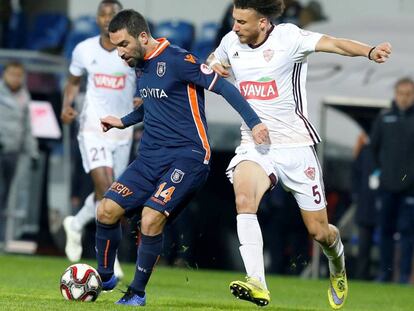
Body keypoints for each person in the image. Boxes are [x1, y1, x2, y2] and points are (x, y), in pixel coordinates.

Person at [207, 0, 391, 308]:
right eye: (235, 20)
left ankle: (337, 263)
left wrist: (369, 51)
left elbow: (335, 44)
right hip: (255, 145)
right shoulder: (230, 42)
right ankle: (257, 282)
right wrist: (213, 65)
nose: (235, 26)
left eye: (242, 21)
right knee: (244, 199)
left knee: (319, 231)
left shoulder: (290, 38)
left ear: (263, 23)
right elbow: (213, 62)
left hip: (296, 147)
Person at [94, 9, 269, 306]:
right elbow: (150, 104)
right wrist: (123, 121)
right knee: (106, 211)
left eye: (123, 45)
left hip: (188, 157)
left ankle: (136, 292)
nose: (120, 53)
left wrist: (254, 122)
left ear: (143, 36)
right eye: (116, 47)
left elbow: (224, 87)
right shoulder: (140, 64)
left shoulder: (177, 59)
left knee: (150, 220)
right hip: (150, 156)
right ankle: (104, 276)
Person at [60, 0, 137, 278]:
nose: (107, 18)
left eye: (113, 14)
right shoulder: (84, 49)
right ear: (96, 19)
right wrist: (67, 104)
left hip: (122, 131)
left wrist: (142, 98)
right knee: (107, 190)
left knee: (112, 194)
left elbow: (144, 79)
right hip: (93, 129)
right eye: (102, 14)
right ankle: (109, 259)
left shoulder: (129, 50)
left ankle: (76, 222)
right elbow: (72, 81)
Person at [370, 77, 414, 284]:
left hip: (411, 189)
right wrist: (380, 174)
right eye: (401, 93)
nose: (404, 98)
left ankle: (404, 275)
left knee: (407, 232)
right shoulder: (384, 117)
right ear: (395, 94)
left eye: (408, 94)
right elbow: (373, 149)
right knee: (385, 230)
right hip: (387, 186)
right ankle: (385, 273)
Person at [0, 61, 38, 243]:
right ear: (4, 74)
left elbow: (27, 127)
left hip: (14, 152)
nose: (15, 78)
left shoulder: (24, 96)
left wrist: (33, 152)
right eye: (11, 74)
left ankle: (5, 237)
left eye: (18, 75)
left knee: (8, 196)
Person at [351, 132, 378, 280]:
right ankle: (361, 275)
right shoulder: (365, 151)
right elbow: (355, 174)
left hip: (380, 203)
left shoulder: (381, 151)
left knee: (387, 242)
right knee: (364, 245)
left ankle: (385, 275)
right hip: (365, 205)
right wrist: (356, 195)